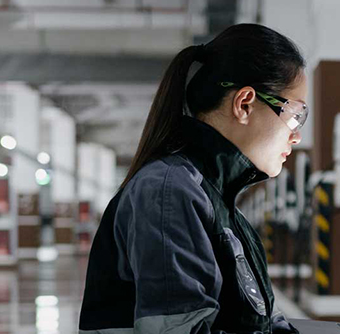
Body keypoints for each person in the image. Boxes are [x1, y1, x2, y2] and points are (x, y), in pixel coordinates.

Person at [79, 24, 308, 334]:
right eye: (295, 114)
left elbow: (264, 323)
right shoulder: (169, 191)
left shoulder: (220, 203)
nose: (295, 136)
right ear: (244, 104)